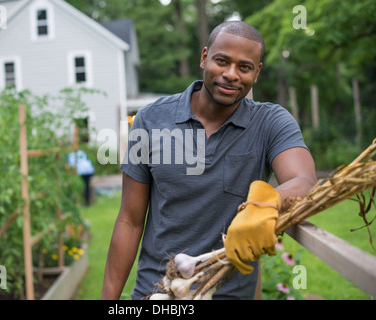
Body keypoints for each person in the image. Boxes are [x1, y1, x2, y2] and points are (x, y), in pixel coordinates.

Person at [102, 21, 317, 300]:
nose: (231, 75)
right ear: (204, 58)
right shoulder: (150, 120)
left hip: (229, 294)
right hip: (157, 293)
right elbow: (130, 220)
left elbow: (305, 181)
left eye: (244, 67)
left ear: (257, 72)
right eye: (222, 61)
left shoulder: (270, 123)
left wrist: (264, 203)